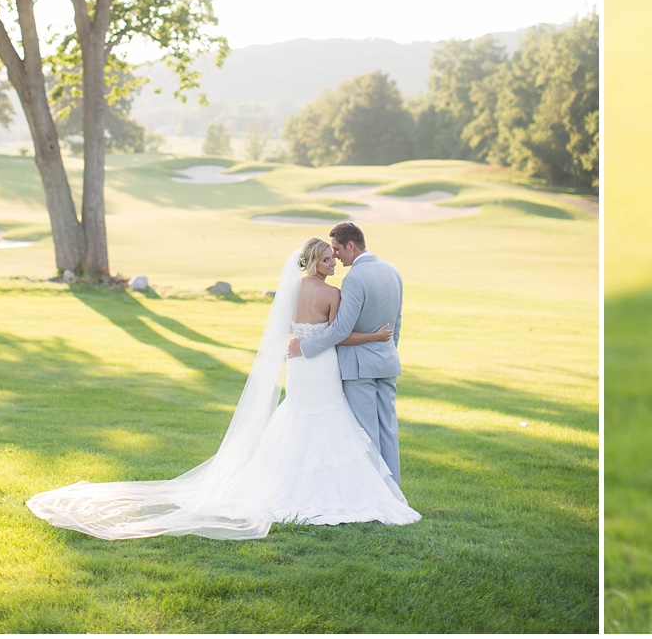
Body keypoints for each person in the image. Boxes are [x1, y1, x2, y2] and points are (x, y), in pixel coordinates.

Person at [26, 237, 419, 539]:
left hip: (297, 366)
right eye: (329, 258)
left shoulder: (290, 292)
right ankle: (336, 491)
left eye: (335, 256)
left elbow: (285, 333)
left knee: (295, 417)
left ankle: (280, 486)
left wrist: (302, 338)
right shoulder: (332, 293)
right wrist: (373, 335)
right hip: (320, 366)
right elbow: (335, 336)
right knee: (326, 420)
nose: (335, 263)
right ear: (316, 261)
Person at [287, 221, 404, 483]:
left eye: (338, 250)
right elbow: (396, 321)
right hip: (386, 361)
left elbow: (339, 329)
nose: (336, 257)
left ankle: (375, 490)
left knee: (365, 431)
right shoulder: (392, 271)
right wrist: (386, 349)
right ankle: (393, 489)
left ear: (351, 245)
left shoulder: (354, 279)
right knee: (388, 429)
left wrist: (304, 346)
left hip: (358, 366)